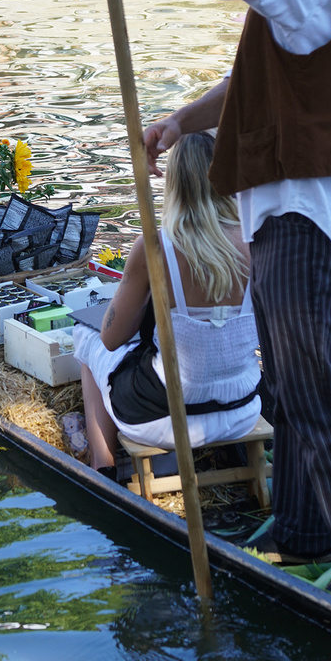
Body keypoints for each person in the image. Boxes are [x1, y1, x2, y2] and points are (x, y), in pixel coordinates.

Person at [72, 0, 331, 570]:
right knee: (289, 394)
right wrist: (182, 119)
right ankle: (299, 535)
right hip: (294, 219)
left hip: (307, 222)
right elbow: (250, 79)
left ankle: (330, 551)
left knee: (312, 393)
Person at [75, 131, 261, 477]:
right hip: (242, 409)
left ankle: (103, 465)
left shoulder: (156, 247)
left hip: (166, 416)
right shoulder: (257, 239)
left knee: (84, 339)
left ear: (174, 184)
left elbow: (111, 339)